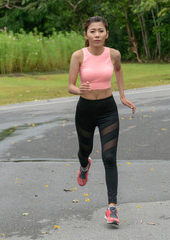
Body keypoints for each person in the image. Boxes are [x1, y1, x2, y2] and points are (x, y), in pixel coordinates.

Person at [68, 16, 136, 225]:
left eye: (100, 31)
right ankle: (84, 165)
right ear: (86, 34)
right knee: (84, 150)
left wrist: (122, 96)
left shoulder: (114, 54)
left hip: (108, 110)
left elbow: (118, 70)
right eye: (92, 31)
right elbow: (70, 86)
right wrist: (80, 89)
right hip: (85, 110)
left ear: (106, 33)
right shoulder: (78, 56)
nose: (97, 35)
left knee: (109, 157)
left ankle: (112, 208)